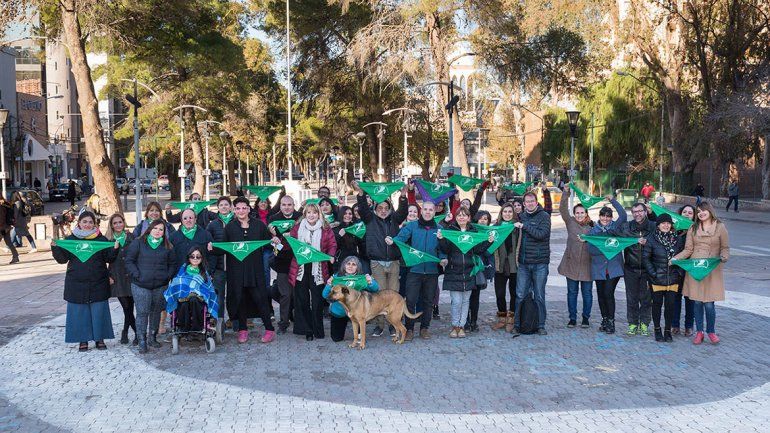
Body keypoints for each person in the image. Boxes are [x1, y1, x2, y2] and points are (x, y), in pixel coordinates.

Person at [210, 196, 279, 344]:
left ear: (248, 209)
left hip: (255, 270)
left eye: (244, 208)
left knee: (260, 299)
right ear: (234, 210)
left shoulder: (259, 226)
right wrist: (211, 248)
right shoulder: (229, 227)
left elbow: (269, 246)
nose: (241, 211)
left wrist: (275, 240)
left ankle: (269, 329)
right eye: (238, 208)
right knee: (240, 299)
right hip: (236, 271)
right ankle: (242, 330)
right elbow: (223, 248)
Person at [51, 211, 120, 351]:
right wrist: (55, 247)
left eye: (90, 222)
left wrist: (114, 249)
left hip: (98, 281)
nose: (87, 224)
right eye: (85, 222)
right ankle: (83, 340)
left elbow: (109, 258)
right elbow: (62, 259)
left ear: (94, 224)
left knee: (99, 311)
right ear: (79, 224)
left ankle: (100, 339)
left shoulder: (101, 240)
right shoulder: (71, 240)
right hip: (76, 282)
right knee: (79, 312)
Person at [353, 181, 408, 337]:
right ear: (375, 209)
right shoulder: (370, 219)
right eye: (380, 208)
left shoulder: (395, 220)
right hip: (377, 262)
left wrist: (403, 196)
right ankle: (380, 325)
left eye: (386, 208)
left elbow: (403, 211)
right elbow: (363, 209)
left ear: (390, 209)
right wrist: (361, 194)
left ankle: (394, 324)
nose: (383, 211)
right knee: (379, 295)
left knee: (394, 294)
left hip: (394, 261)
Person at [673, 201, 730, 345]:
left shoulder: (720, 227)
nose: (701, 213)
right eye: (698, 211)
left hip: (711, 269)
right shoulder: (693, 227)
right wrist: (675, 259)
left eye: (703, 210)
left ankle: (711, 331)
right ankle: (699, 332)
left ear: (710, 211)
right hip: (695, 269)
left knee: (709, 304)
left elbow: (725, 247)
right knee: (697, 302)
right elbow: (688, 250)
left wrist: (724, 256)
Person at [388, 200, 443, 341]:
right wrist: (392, 240)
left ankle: (425, 328)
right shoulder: (412, 226)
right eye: (425, 209)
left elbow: (443, 248)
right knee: (410, 300)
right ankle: (410, 328)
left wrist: (444, 258)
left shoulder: (439, 228)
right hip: (414, 270)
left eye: (431, 210)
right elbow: (400, 239)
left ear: (435, 211)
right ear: (421, 211)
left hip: (431, 271)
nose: (428, 212)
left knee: (428, 301)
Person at [437, 207, 493, 338]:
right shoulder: (450, 230)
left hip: (469, 271)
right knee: (456, 301)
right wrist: (441, 239)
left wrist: (488, 242)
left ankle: (461, 326)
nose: (461, 217)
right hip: (453, 271)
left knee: (466, 300)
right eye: (459, 215)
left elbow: (478, 250)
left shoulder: (473, 231)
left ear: (468, 218)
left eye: (464, 215)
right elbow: (445, 248)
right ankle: (455, 325)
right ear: (456, 217)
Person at [286, 203, 337, 341]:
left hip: (318, 268)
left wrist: (331, 255)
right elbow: (290, 244)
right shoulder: (297, 228)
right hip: (301, 269)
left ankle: (318, 330)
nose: (311, 215)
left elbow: (332, 244)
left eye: (314, 212)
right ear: (305, 214)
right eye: (308, 212)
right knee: (302, 301)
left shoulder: (325, 229)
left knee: (317, 301)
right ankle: (307, 330)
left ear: (319, 214)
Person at [125, 219, 177, 353]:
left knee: (156, 312)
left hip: (160, 285)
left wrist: (167, 276)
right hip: (140, 285)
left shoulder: (168, 246)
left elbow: (172, 264)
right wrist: (137, 274)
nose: (158, 231)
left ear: (164, 232)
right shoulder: (138, 243)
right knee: (142, 312)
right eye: (155, 228)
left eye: (161, 229)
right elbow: (129, 260)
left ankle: (152, 337)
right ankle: (141, 339)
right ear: (149, 229)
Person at [609, 202, 655, 336]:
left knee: (646, 299)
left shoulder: (652, 226)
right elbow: (613, 230)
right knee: (632, 298)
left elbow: (663, 228)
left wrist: (648, 242)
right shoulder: (627, 226)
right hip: (631, 268)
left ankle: (645, 324)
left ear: (645, 212)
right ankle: (633, 323)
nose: (637, 214)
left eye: (640, 211)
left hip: (647, 269)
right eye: (634, 212)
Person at [512, 192, 551, 336]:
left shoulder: (544, 216)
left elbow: (541, 235)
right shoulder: (520, 216)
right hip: (523, 263)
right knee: (520, 295)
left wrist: (524, 226)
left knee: (539, 295)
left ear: (536, 202)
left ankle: (540, 325)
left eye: (532, 201)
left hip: (540, 263)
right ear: (524, 204)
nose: (530, 203)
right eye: (527, 202)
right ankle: (518, 324)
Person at [642, 213, 685, 343]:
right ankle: (657, 330)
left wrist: (678, 273)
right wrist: (653, 273)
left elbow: (682, 256)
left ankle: (667, 330)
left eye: (668, 223)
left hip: (672, 279)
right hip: (657, 279)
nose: (666, 225)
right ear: (658, 225)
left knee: (670, 306)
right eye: (663, 223)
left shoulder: (677, 239)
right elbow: (646, 258)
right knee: (657, 305)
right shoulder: (652, 239)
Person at [587, 198, 627, 334]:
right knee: (600, 294)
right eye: (603, 215)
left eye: (608, 216)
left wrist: (613, 201)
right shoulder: (593, 232)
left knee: (608, 293)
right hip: (599, 268)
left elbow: (623, 215)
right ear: (599, 216)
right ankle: (604, 319)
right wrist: (604, 248)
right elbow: (591, 250)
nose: (605, 218)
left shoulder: (615, 227)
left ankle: (611, 321)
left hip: (613, 267)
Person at [557, 185, 594, 328]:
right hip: (571, 264)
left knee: (587, 294)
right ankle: (572, 318)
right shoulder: (570, 222)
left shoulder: (592, 227)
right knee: (572, 293)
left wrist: (588, 239)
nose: (579, 215)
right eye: (577, 213)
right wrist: (566, 192)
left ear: (586, 213)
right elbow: (562, 209)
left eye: (582, 213)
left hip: (587, 265)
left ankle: (585, 318)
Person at [322, 256, 379, 342]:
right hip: (339, 311)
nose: (350, 266)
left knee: (360, 318)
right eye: (348, 264)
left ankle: (359, 334)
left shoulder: (361, 277)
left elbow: (376, 289)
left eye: (354, 264)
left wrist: (370, 281)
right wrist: (329, 284)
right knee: (336, 338)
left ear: (358, 267)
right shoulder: (336, 277)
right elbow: (325, 295)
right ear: (344, 265)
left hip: (357, 311)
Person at [267, 195, 302, 334]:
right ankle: (283, 321)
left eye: (289, 205)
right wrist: (272, 238)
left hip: (299, 259)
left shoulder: (301, 217)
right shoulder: (273, 219)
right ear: (280, 206)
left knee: (299, 293)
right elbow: (267, 237)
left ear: (294, 205)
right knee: (285, 294)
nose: (287, 207)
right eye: (284, 205)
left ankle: (299, 319)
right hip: (281, 261)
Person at [105, 213, 137, 345]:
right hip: (117, 277)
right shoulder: (108, 240)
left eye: (120, 222)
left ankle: (125, 331)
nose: (118, 225)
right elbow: (105, 259)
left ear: (124, 222)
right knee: (126, 307)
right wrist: (108, 276)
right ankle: (137, 333)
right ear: (111, 226)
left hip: (131, 277)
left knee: (130, 307)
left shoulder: (131, 237)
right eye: (115, 223)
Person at [205, 196, 234, 334]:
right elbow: (208, 245)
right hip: (218, 267)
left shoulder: (237, 222)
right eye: (221, 205)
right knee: (219, 297)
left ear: (230, 207)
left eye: (226, 204)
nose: (224, 207)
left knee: (235, 295)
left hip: (235, 266)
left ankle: (236, 322)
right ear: (218, 207)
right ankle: (219, 324)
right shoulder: (212, 225)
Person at [491, 202, 520, 332]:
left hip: (514, 265)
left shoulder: (517, 227)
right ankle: (502, 317)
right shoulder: (496, 227)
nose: (507, 214)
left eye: (510, 211)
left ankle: (511, 318)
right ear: (501, 213)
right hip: (500, 265)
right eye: (505, 212)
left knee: (514, 293)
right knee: (500, 293)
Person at [467, 210, 495, 333]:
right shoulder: (471, 231)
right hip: (468, 267)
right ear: (476, 219)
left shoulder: (490, 233)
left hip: (480, 269)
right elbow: (476, 250)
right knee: (466, 296)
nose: (483, 221)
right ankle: (465, 320)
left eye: (486, 219)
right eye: (481, 218)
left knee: (475, 296)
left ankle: (473, 321)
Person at [672, 205, 696, 336]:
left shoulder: (697, 230)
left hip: (690, 269)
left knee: (690, 298)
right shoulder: (674, 228)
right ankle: (675, 325)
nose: (687, 214)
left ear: (694, 215)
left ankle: (689, 326)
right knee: (675, 298)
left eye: (690, 212)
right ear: (680, 214)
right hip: (676, 268)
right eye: (684, 212)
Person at [0, 197, 20, 264]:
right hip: (7, 226)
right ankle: (15, 256)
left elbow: (1, 218)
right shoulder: (5, 203)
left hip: (2, 227)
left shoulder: (1, 205)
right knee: (8, 242)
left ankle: (16, 256)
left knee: (8, 242)